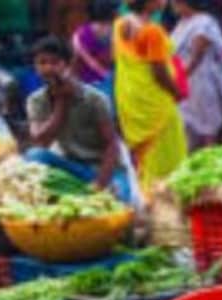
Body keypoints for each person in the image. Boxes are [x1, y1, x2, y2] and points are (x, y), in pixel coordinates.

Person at [24, 36, 133, 200]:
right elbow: (41, 139)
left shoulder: (95, 98)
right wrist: (62, 103)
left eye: (54, 62)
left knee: (120, 201)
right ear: (35, 67)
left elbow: (112, 144)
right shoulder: (36, 100)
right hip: (71, 166)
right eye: (42, 63)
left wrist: (100, 184)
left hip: (102, 168)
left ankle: (82, 193)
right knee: (34, 155)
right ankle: (75, 194)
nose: (48, 68)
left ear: (67, 65)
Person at [113, 0, 189, 187]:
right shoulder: (152, 31)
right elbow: (159, 73)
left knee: (145, 156)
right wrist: (176, 92)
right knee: (169, 155)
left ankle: (147, 196)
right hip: (157, 104)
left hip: (133, 99)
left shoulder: (120, 24)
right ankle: (164, 198)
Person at [172, 0, 222, 147]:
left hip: (201, 85)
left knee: (208, 131)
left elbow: (196, 59)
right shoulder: (182, 22)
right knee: (187, 131)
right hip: (185, 85)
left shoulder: (204, 23)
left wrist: (178, 80)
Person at [72, 0, 116, 92]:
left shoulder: (81, 33)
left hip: (88, 83)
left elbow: (76, 60)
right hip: (113, 83)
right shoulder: (116, 31)